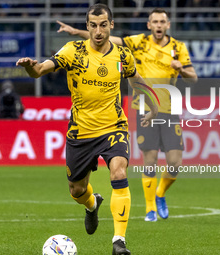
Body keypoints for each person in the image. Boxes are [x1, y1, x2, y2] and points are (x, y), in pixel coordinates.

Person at [16, 4, 158, 254]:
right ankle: (92, 206)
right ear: (87, 26)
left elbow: (137, 80)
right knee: (77, 190)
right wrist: (30, 65)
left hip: (114, 126)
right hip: (81, 132)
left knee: (118, 172)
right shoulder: (73, 50)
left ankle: (119, 242)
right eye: (93, 25)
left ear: (111, 25)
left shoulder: (123, 55)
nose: (98, 31)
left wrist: (152, 105)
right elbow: (39, 71)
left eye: (103, 25)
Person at [57, 7, 198, 222]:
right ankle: (150, 208)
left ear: (168, 25)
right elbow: (104, 37)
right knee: (149, 159)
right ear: (149, 25)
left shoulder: (178, 48)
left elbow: (193, 78)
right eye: (155, 21)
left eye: (162, 21)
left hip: (170, 108)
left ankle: (159, 193)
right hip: (144, 107)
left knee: (175, 162)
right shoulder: (138, 42)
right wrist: (76, 32)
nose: (159, 25)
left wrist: (182, 69)